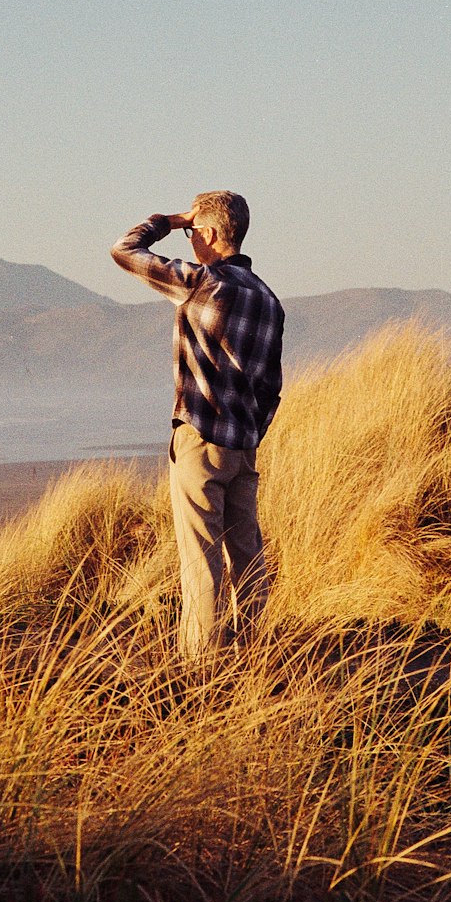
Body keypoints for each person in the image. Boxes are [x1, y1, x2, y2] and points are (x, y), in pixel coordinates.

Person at [111, 191, 284, 661]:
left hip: (200, 439)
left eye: (193, 233)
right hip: (243, 447)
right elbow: (271, 390)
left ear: (207, 234)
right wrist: (249, 435)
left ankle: (201, 669)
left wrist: (167, 221)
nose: (189, 240)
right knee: (247, 557)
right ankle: (256, 655)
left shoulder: (202, 282)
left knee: (201, 561)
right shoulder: (269, 299)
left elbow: (124, 251)